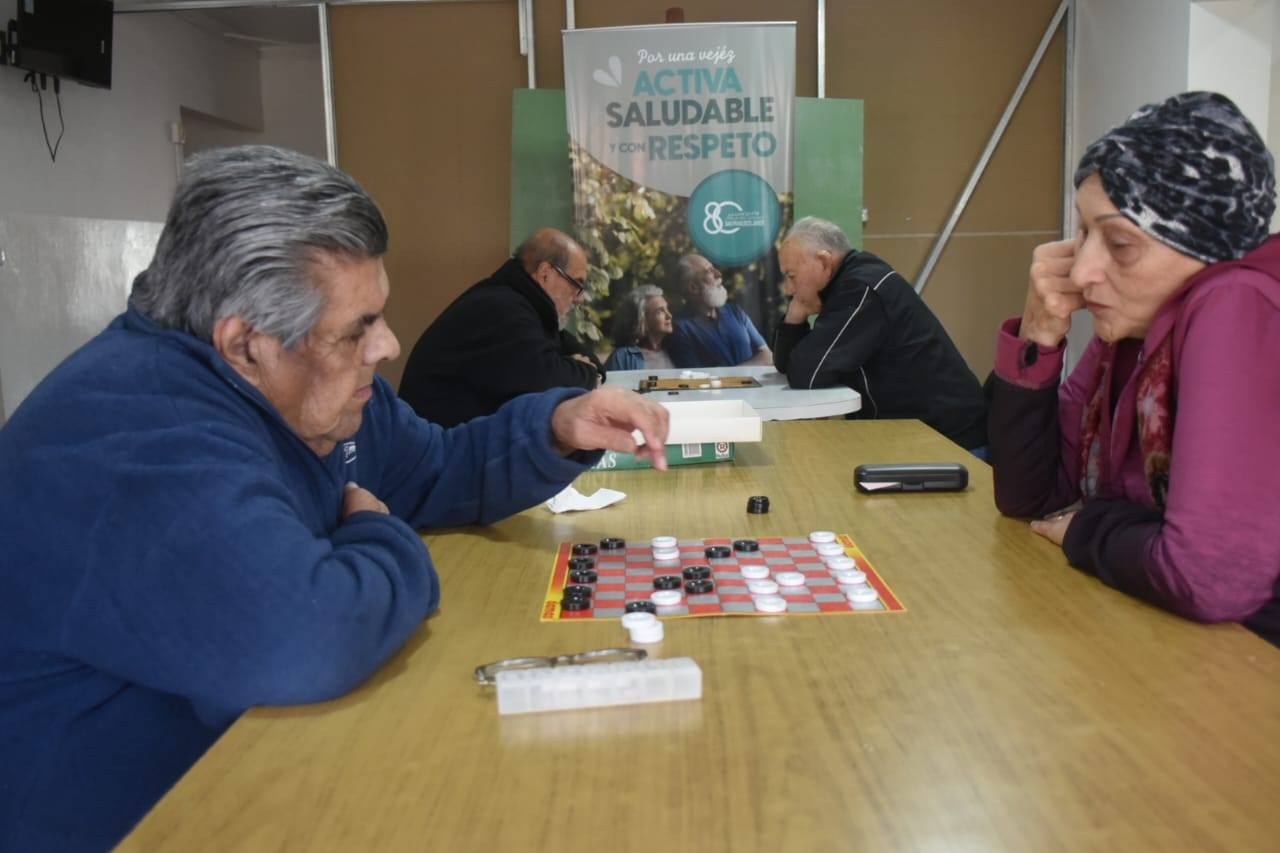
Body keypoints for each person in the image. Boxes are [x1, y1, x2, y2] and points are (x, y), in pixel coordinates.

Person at [0, 146, 669, 852]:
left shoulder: (310, 386)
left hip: (261, 770)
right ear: (246, 344)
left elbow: (437, 467)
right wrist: (381, 536)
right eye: (357, 328)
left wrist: (555, 426)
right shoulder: (132, 433)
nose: (388, 345)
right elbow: (308, 636)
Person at [989, 91, 1280, 645]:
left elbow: (1209, 579)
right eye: (1084, 233)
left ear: (1206, 249)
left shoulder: (1236, 300)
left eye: (1119, 242)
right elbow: (1031, 498)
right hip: (1188, 643)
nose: (1083, 271)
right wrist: (1038, 333)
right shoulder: (1134, 330)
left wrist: (1089, 525)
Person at [773, 216, 988, 452]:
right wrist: (795, 315)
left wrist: (797, 311)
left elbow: (807, 374)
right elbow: (786, 366)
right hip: (917, 435)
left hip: (951, 441)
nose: (789, 289)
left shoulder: (860, 288)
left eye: (792, 276)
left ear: (824, 262)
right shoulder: (851, 280)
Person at [397, 228, 605, 428]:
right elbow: (547, 380)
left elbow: (582, 359)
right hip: (435, 446)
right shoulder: (501, 309)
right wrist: (586, 372)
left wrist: (586, 369)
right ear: (545, 274)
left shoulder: (525, 308)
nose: (579, 298)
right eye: (576, 284)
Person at [665, 253, 773, 367]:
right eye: (709, 271)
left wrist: (732, 374)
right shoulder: (680, 329)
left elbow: (768, 356)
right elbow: (695, 376)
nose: (718, 274)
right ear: (693, 287)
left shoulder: (735, 312)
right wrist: (744, 372)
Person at [604, 284, 675, 371]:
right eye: (660, 311)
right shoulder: (622, 357)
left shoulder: (675, 351)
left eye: (667, 309)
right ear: (642, 319)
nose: (669, 315)